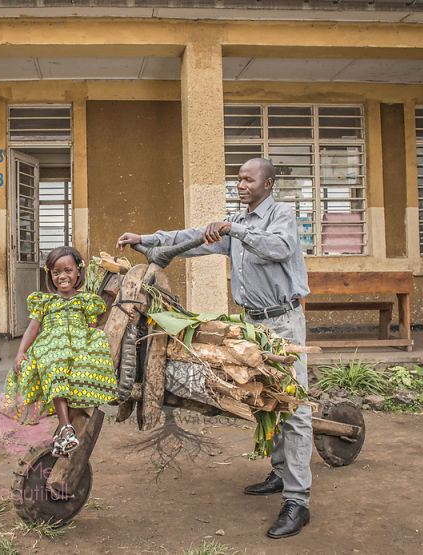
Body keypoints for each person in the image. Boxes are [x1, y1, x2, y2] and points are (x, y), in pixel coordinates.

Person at [116, 158, 312, 539]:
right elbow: (189, 238)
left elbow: (280, 249)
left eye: (248, 179)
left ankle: (298, 501)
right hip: (253, 321)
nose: (240, 184)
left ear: (268, 183)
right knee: (263, 399)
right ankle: (280, 472)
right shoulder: (235, 224)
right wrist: (146, 239)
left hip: (284, 321)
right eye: (237, 178)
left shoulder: (281, 217)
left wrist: (235, 230)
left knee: (294, 406)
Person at [4, 246, 118, 458]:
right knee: (54, 365)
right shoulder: (45, 301)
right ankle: (65, 428)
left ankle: (64, 433)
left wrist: (117, 322)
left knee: (82, 367)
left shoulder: (85, 301)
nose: (62, 276)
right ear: (50, 275)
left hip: (77, 345)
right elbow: (32, 329)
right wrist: (20, 352)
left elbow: (92, 327)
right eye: (56, 273)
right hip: (51, 345)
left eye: (67, 270)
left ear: (78, 272)